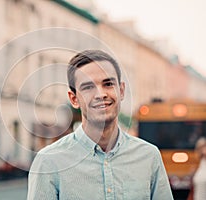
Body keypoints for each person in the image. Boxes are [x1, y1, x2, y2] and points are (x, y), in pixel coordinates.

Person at [27, 50, 173, 200]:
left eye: (108, 84)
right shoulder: (48, 162)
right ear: (74, 99)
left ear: (121, 90)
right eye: (88, 87)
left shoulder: (149, 156)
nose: (100, 94)